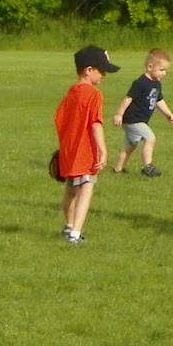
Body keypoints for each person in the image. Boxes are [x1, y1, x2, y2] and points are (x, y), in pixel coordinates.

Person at [54, 45, 120, 244]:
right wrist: (103, 150)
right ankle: (75, 233)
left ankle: (68, 225)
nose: (104, 76)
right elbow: (95, 124)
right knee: (86, 189)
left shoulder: (71, 93)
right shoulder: (94, 94)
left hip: (69, 150)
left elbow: (59, 120)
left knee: (70, 191)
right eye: (101, 71)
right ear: (88, 70)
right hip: (86, 151)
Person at [112, 48, 173, 177]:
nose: (164, 73)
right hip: (133, 119)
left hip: (139, 120)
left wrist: (168, 114)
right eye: (161, 70)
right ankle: (147, 166)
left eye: (165, 70)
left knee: (131, 145)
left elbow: (159, 100)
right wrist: (119, 114)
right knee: (150, 138)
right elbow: (128, 98)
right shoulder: (141, 83)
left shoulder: (156, 84)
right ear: (150, 66)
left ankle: (118, 169)